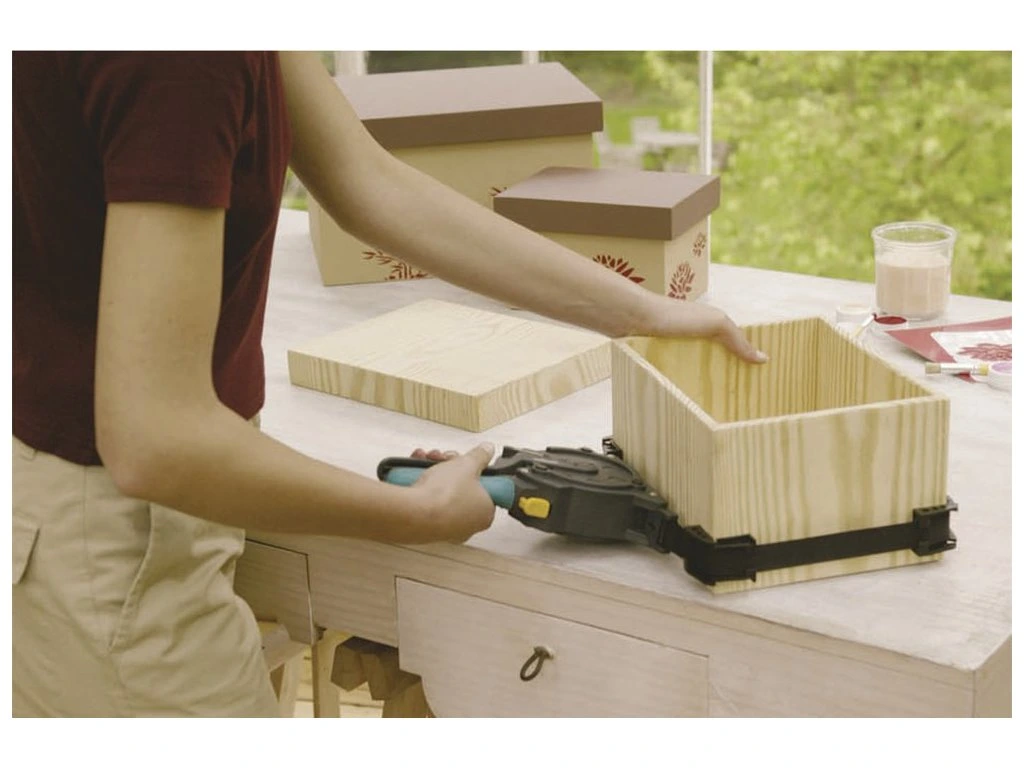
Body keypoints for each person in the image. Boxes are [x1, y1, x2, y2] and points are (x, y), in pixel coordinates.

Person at [12, 51, 767, 717]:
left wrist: (641, 313)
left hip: (97, 514)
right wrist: (411, 515)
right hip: (111, 545)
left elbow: (368, 184)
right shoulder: (183, 55)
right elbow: (156, 440)